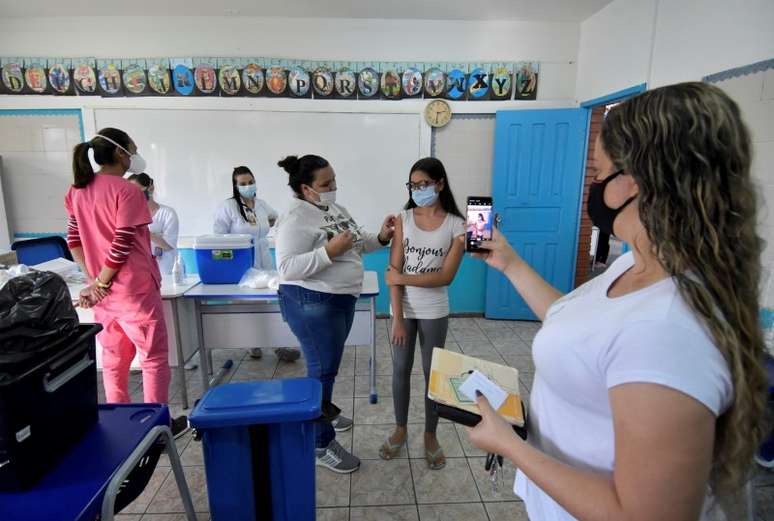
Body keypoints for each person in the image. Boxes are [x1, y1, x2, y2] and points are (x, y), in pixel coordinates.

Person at [465, 83, 768, 520]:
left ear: (639, 183)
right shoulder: (639, 263)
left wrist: (509, 444)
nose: (592, 186)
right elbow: (580, 327)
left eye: (599, 173)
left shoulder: (669, 330)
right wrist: (511, 263)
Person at [275, 154, 396, 474]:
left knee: (328, 367)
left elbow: (357, 242)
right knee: (321, 369)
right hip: (311, 301)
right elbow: (287, 268)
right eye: (325, 184)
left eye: (334, 181)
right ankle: (319, 442)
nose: (333, 188)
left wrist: (382, 236)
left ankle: (322, 408)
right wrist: (329, 252)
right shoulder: (295, 217)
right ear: (305, 188)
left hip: (338, 301)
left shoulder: (333, 210)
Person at [65, 127, 187, 436]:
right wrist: (101, 282)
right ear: (121, 153)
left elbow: (73, 239)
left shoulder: (77, 191)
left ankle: (119, 426)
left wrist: (95, 281)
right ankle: (157, 429)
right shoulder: (127, 191)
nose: (136, 155)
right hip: (134, 292)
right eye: (133, 148)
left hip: (106, 297)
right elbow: (122, 243)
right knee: (154, 358)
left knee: (114, 359)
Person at [380, 157, 466, 470]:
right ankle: (400, 428)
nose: (418, 190)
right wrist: (398, 318)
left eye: (424, 184)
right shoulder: (403, 218)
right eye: (413, 186)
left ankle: (431, 434)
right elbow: (393, 267)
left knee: (434, 375)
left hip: (435, 310)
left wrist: (401, 278)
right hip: (403, 308)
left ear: (440, 183)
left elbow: (445, 277)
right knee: (401, 369)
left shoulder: (458, 225)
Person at [213, 166, 299, 362]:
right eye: (242, 184)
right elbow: (219, 237)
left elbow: (277, 218)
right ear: (235, 186)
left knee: (272, 300)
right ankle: (253, 343)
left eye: (250, 181)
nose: (248, 186)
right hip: (242, 261)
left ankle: (278, 344)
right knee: (248, 304)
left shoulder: (261, 205)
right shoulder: (228, 207)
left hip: (264, 257)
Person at [127, 173, 179, 275]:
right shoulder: (127, 215)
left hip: (164, 271)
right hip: (138, 272)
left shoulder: (167, 213)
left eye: (137, 190)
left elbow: (168, 245)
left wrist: (142, 230)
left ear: (150, 188)